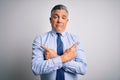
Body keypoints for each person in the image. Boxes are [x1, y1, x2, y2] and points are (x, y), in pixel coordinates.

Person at [32, 4, 87, 80]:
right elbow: (36, 68)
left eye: (63, 17)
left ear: (67, 21)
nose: (59, 20)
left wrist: (55, 57)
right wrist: (65, 58)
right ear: (50, 20)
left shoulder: (75, 40)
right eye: (55, 17)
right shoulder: (40, 39)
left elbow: (83, 69)